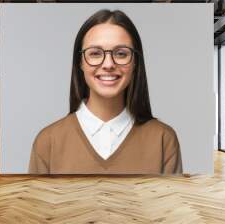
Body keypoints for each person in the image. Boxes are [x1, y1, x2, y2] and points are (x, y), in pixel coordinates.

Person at [29, 9, 182, 175]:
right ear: (80, 63)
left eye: (121, 53)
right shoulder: (48, 141)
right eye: (95, 53)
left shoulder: (163, 139)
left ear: (135, 62)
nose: (108, 64)